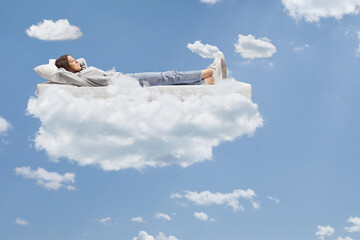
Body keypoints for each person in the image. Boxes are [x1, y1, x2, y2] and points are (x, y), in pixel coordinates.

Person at [52, 53, 227, 87]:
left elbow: (82, 60)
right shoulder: (80, 78)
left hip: (125, 77)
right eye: (71, 62)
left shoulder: (83, 70)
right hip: (125, 81)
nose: (76, 61)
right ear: (67, 68)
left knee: (169, 82)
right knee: (168, 76)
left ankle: (206, 82)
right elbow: (59, 74)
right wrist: (60, 66)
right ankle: (209, 71)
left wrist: (76, 64)